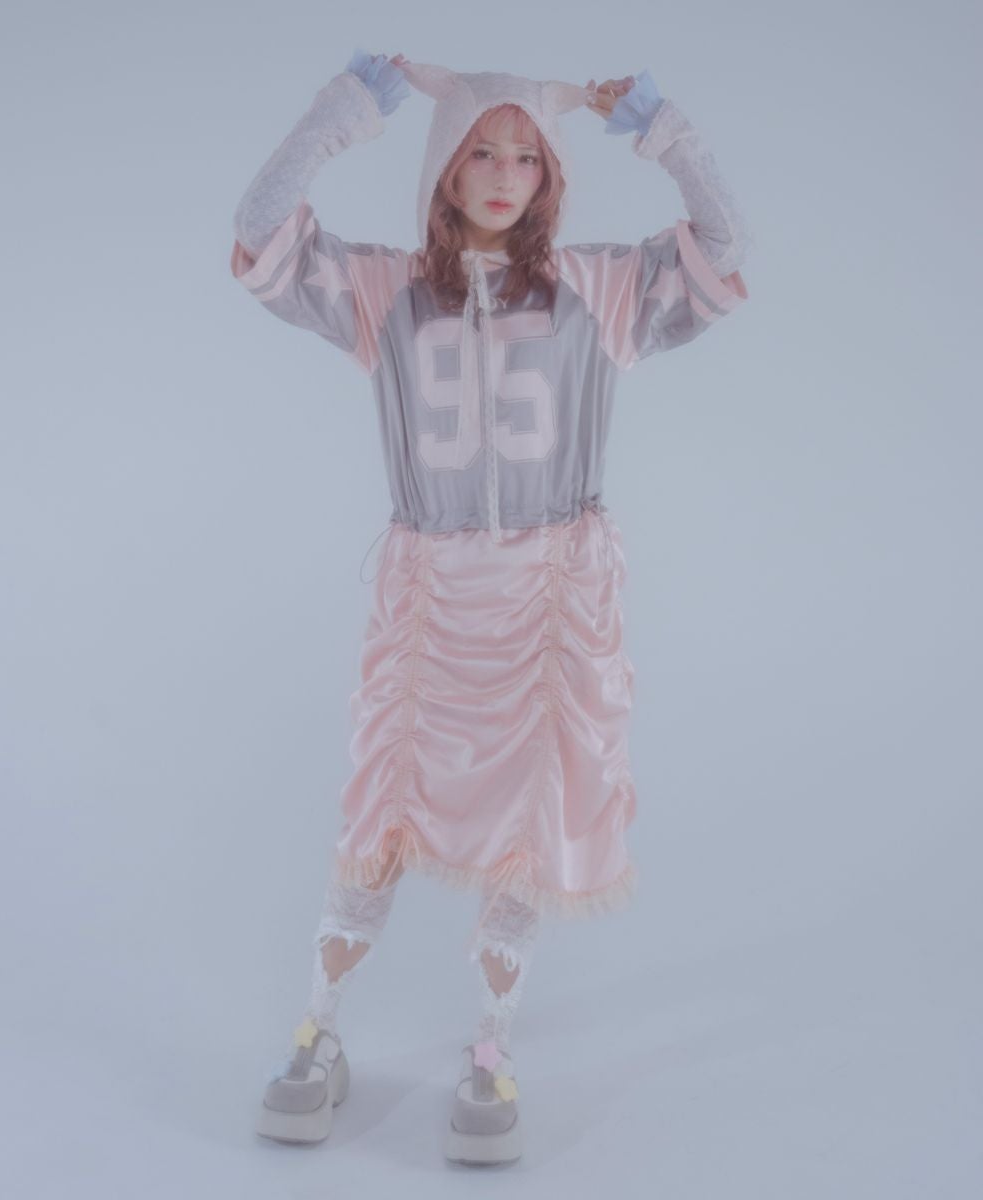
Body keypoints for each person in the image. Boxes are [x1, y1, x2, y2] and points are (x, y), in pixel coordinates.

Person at [231, 47, 750, 1165]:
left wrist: (660, 125)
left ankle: (492, 1048)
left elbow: (722, 246)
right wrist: (343, 109)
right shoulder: (384, 293)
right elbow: (261, 228)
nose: (505, 174)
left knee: (528, 826)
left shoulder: (597, 290)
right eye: (481, 151)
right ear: (443, 167)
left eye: (526, 155)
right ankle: (318, 1032)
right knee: (377, 814)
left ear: (552, 172)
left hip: (550, 606)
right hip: (430, 608)